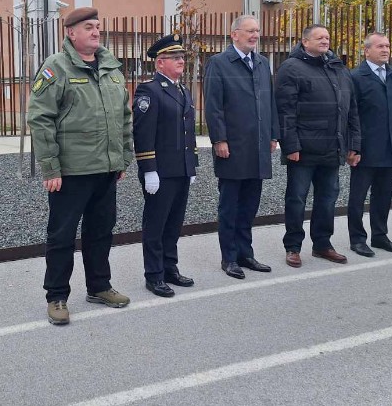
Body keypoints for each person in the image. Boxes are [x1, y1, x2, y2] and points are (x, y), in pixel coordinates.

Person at [27, 7, 133, 325]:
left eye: (98, 26)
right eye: (88, 27)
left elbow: (124, 117)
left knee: (100, 232)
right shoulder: (55, 68)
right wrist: (50, 168)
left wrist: (123, 158)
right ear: (71, 33)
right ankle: (57, 296)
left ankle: (99, 286)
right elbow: (40, 118)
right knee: (61, 236)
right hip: (71, 172)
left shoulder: (112, 68)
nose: (96, 32)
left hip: (105, 169)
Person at [275, 24, 361, 268]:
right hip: (303, 150)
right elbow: (285, 111)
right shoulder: (291, 68)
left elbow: (351, 110)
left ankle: (322, 244)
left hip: (333, 148)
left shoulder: (338, 68)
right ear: (304, 41)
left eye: (327, 37)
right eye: (319, 37)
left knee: (327, 199)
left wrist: (354, 145)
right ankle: (293, 246)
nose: (325, 40)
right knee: (297, 199)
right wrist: (290, 145)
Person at [204, 15, 279, 280]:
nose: (255, 35)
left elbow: (270, 102)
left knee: (249, 205)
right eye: (249, 31)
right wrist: (219, 140)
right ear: (234, 34)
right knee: (230, 206)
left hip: (258, 147)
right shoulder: (219, 63)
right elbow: (213, 107)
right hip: (233, 147)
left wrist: (273, 134)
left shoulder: (262, 63)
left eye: (257, 31)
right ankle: (230, 257)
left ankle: (246, 253)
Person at [132, 34, 198, 298]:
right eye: (175, 58)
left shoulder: (182, 90)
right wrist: (149, 169)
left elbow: (188, 132)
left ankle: (170, 268)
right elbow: (143, 133)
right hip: (160, 172)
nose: (181, 61)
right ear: (160, 63)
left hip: (180, 169)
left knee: (174, 224)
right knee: (156, 225)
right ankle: (154, 275)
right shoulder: (150, 90)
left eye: (182, 57)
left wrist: (191, 165)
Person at [347, 32, 392, 257]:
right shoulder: (356, 77)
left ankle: (380, 235)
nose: (385, 50)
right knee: (358, 197)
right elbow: (350, 115)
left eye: (387, 46)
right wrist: (353, 147)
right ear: (366, 51)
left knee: (383, 195)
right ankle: (357, 238)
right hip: (365, 150)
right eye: (380, 46)